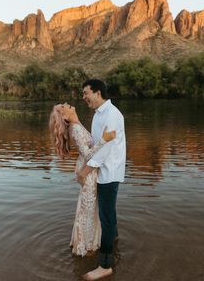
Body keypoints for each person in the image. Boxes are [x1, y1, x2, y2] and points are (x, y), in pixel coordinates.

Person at [49, 103, 116, 257]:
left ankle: (85, 242)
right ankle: (86, 246)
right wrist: (104, 140)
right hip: (88, 173)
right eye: (64, 106)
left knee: (88, 207)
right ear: (65, 116)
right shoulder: (76, 129)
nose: (67, 104)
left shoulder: (76, 125)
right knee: (88, 209)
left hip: (86, 170)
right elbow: (88, 155)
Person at [77, 79, 126, 280]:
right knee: (109, 212)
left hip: (109, 172)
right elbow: (97, 144)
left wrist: (85, 171)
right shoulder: (99, 114)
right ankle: (113, 240)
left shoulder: (112, 115)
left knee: (105, 217)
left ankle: (105, 265)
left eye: (86, 93)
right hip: (102, 170)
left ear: (97, 93)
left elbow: (105, 148)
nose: (84, 97)